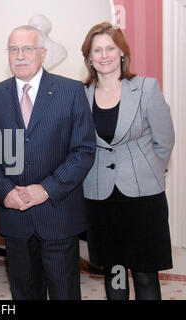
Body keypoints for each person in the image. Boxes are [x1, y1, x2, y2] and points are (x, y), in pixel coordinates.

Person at [0, 25, 96, 300]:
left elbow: (83, 151)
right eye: (14, 49)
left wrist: (45, 189)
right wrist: (5, 190)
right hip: (15, 217)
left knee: (64, 292)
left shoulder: (71, 91)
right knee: (24, 293)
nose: (20, 55)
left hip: (58, 213)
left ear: (42, 53)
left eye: (27, 48)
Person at [81, 22, 175, 300]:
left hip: (143, 199)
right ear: (89, 57)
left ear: (122, 52)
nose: (104, 55)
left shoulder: (146, 88)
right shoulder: (80, 96)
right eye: (97, 50)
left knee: (146, 276)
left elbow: (164, 141)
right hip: (101, 199)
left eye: (110, 48)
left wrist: (150, 173)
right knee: (116, 273)